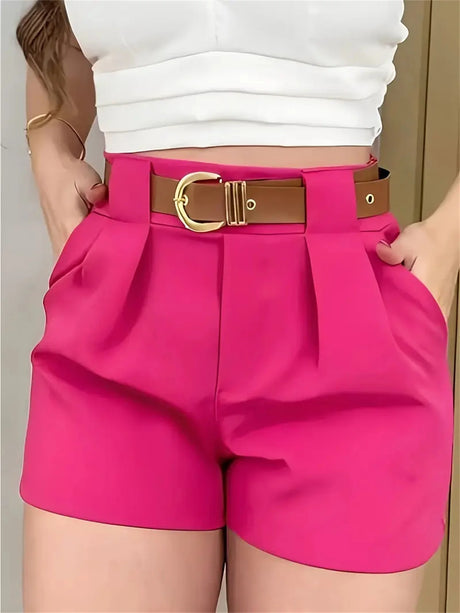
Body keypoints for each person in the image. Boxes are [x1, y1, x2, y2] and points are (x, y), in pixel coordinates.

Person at [16, 1, 459, 611]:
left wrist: (451, 238)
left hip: (344, 318)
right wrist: (48, 145)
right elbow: (60, 30)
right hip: (123, 310)